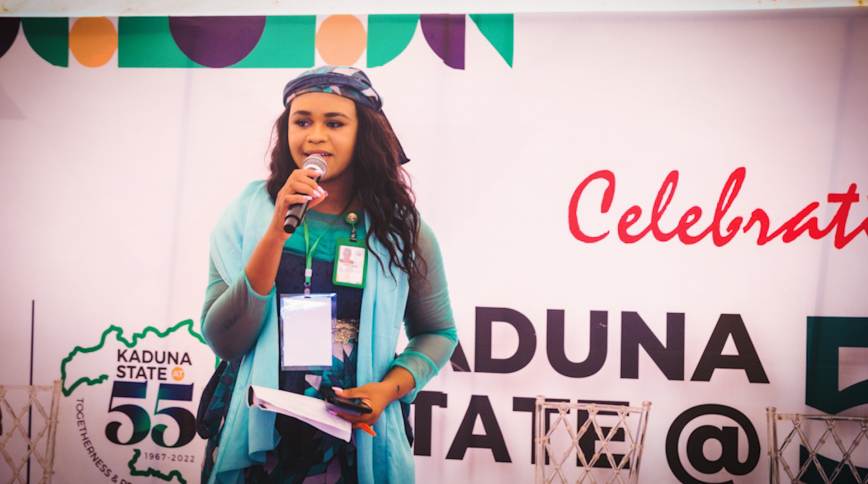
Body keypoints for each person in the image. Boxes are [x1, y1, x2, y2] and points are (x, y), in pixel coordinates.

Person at [198, 66, 457, 484]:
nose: (315, 136)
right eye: (302, 122)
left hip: (352, 441)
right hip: (257, 437)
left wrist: (386, 391)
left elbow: (439, 332)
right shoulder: (246, 215)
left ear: (364, 135)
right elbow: (225, 340)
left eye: (334, 123)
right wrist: (275, 230)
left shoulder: (403, 230)